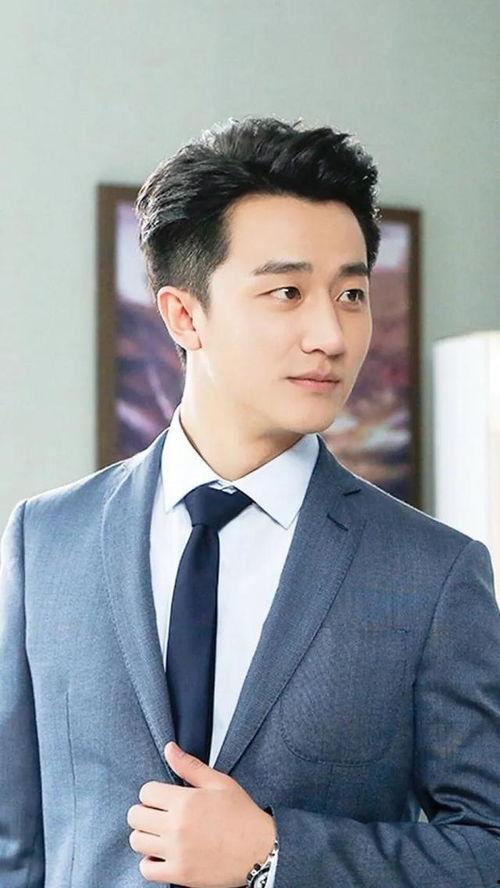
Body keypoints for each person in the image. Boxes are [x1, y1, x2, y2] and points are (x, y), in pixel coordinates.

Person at [1, 115, 499, 888]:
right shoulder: (47, 538)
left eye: (353, 293)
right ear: (184, 315)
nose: (331, 334)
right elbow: (15, 842)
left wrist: (276, 853)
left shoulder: (432, 572)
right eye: (287, 292)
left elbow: (489, 847)